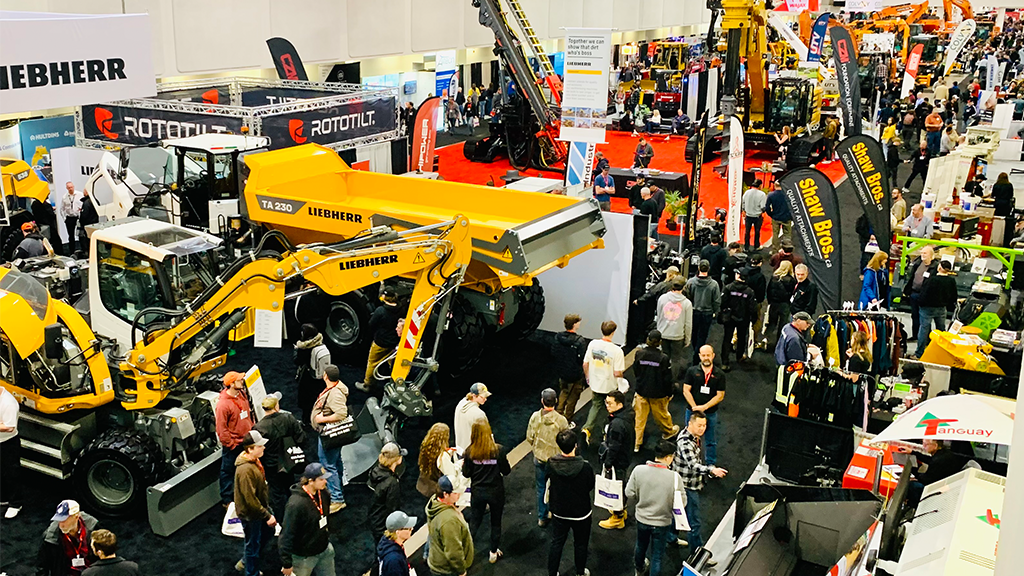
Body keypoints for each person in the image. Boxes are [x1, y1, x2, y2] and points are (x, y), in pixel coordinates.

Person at [673, 412, 727, 556]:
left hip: (687, 483)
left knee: (676, 512)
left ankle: (671, 538)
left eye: (704, 425)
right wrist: (711, 470)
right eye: (699, 425)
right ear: (690, 424)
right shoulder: (685, 442)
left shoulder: (694, 437)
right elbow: (693, 465)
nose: (702, 429)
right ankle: (698, 555)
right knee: (694, 522)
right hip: (686, 487)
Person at [626, 440, 680, 576]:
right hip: (662, 522)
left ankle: (639, 569)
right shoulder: (674, 477)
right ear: (668, 457)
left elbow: (629, 493)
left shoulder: (638, 470)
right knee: (657, 555)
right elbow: (681, 502)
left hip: (642, 519)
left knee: (640, 545)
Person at [546, 428, 594, 576]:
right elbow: (590, 486)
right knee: (580, 544)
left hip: (559, 512)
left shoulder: (551, 463)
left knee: (557, 542)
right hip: (581, 513)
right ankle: (580, 572)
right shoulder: (585, 467)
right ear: (576, 446)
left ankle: (552, 573)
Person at [462, 421, 511, 563]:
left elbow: (466, 474)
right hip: (495, 492)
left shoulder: (470, 452)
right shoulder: (498, 450)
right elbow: (506, 471)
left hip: (478, 493)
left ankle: (466, 552)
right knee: (496, 522)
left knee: (475, 521)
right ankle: (493, 553)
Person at [254, 392, 306, 520]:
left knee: (276, 494)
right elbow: (302, 438)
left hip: (271, 466)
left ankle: (282, 521)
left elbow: (257, 451)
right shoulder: (288, 418)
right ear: (276, 406)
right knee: (291, 488)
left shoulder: (259, 428)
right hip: (289, 461)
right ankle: (296, 515)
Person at [280, 463, 335, 576]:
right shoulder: (295, 505)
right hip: (303, 557)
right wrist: (287, 563)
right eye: (321, 479)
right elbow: (286, 535)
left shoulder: (324, 494)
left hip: (324, 550)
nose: (325, 482)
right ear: (310, 481)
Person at [235, 430, 276, 576]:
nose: (263, 448)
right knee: (252, 545)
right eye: (260, 446)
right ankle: (250, 572)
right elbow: (250, 499)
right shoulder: (246, 470)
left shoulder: (254, 462)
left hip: (259, 509)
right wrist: (267, 515)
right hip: (251, 514)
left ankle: (246, 561)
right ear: (250, 449)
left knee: (266, 533)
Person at [527, 388, 569, 526]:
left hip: (539, 459)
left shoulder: (535, 417)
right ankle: (559, 514)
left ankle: (542, 517)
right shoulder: (561, 420)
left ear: (542, 401)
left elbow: (529, 437)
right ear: (556, 401)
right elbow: (566, 440)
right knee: (558, 488)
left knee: (541, 488)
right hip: (556, 461)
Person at [310, 364, 349, 513]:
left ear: (326, 376)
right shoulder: (338, 388)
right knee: (334, 461)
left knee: (327, 464)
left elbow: (341, 414)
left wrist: (321, 419)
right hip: (333, 433)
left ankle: (337, 498)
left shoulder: (335, 394)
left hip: (329, 433)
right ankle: (337, 484)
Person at [632, 330, 678, 452]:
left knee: (639, 418)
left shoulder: (639, 354)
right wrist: (670, 393)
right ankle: (668, 432)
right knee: (662, 415)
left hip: (642, 390)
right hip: (658, 394)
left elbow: (636, 370)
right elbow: (667, 378)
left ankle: (636, 442)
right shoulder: (663, 358)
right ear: (660, 342)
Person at [582, 321, 625, 445]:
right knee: (611, 410)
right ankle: (607, 431)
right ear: (613, 332)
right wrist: (622, 381)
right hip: (609, 386)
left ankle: (586, 429)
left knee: (595, 406)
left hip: (595, 383)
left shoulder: (593, 344)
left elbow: (585, 364)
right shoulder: (617, 351)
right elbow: (617, 373)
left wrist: (588, 378)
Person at [681, 346, 726, 466]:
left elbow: (720, 395)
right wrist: (695, 407)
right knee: (689, 438)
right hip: (692, 412)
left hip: (710, 413)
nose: (706, 358)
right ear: (699, 356)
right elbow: (686, 390)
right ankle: (689, 461)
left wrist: (704, 407)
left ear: (713, 355)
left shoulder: (719, 374)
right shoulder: (692, 371)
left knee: (710, 440)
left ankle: (710, 464)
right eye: (703, 355)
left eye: (708, 355)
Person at [216, 371, 254, 507]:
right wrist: (231, 444)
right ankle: (227, 500)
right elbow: (221, 429)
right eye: (239, 380)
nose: (242, 381)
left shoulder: (242, 394)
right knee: (228, 472)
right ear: (231, 384)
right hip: (234, 445)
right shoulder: (223, 405)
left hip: (246, 440)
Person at [598, 390, 634, 530]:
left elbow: (614, 446)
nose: (607, 405)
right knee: (621, 484)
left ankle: (617, 517)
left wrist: (608, 463)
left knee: (616, 487)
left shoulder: (617, 424)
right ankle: (621, 512)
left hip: (618, 461)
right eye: (606, 402)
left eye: (610, 403)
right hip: (625, 458)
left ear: (619, 404)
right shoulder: (627, 415)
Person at [358, 286, 403, 394]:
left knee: (372, 362)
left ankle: (367, 384)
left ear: (384, 296)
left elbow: (371, 325)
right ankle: (393, 383)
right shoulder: (401, 308)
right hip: (395, 342)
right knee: (391, 363)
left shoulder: (380, 311)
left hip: (380, 343)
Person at [425, 476, 474, 576]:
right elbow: (453, 552)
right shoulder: (448, 520)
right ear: (445, 494)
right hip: (447, 570)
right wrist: (461, 571)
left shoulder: (435, 501)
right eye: (455, 493)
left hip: (437, 560)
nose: (459, 495)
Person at [37, 500, 100, 576]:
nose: (61, 525)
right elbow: (42, 566)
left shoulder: (93, 528)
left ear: (76, 517)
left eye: (64, 520)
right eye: (58, 520)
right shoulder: (50, 537)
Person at [916, 260, 958, 356]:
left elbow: (924, 293)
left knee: (924, 329)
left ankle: (919, 353)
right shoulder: (951, 281)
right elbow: (953, 296)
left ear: (939, 268)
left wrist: (920, 303)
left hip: (927, 308)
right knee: (941, 330)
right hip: (942, 308)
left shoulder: (932, 280)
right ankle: (941, 352)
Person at [655, 277, 692, 380]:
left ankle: (661, 378)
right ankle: (672, 380)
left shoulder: (662, 298)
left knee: (663, 358)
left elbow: (659, 316)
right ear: (684, 287)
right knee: (676, 360)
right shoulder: (687, 303)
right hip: (678, 335)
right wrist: (687, 339)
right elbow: (688, 324)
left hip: (663, 333)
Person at [551, 314, 587, 420]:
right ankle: (566, 420)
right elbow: (581, 359)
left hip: (562, 372)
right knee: (573, 398)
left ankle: (558, 416)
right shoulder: (580, 341)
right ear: (574, 324)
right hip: (575, 374)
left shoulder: (558, 337)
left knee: (563, 392)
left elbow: (553, 352)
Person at [684, 260, 721, 364]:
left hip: (693, 312)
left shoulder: (691, 282)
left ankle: (696, 351)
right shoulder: (714, 284)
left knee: (694, 335)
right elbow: (717, 301)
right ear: (708, 269)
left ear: (698, 268)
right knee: (703, 336)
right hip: (707, 313)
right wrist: (715, 312)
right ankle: (697, 356)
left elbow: (687, 296)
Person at [720, 268, 756, 370]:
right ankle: (739, 356)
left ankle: (725, 362)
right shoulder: (749, 292)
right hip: (743, 319)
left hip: (730, 318)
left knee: (727, 338)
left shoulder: (728, 288)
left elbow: (723, 303)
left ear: (738, 276)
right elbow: (752, 307)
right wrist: (753, 319)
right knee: (742, 338)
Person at [368, 443, 404, 546]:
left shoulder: (374, 471)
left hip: (374, 518)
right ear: (398, 459)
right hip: (384, 525)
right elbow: (393, 508)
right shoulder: (392, 483)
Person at [294, 323, 330, 424]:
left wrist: (296, 350)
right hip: (322, 377)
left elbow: (297, 361)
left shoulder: (304, 349)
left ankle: (307, 421)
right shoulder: (321, 343)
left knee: (306, 400)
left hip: (309, 377)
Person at [903, 245, 938, 341]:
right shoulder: (918, 264)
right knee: (915, 316)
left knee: (925, 318)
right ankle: (915, 335)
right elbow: (912, 277)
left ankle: (926, 338)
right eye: (922, 253)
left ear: (931, 255)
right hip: (914, 294)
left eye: (925, 253)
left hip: (926, 296)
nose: (922, 255)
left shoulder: (934, 267)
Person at [0, 385, 22, 519]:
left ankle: (15, 503)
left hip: (7, 443)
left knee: (11, 473)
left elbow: (9, 427)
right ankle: (3, 497)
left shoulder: (8, 402)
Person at [766, 260, 797, 350]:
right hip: (785, 304)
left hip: (774, 304)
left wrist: (770, 301)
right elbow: (792, 293)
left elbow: (769, 291)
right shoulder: (791, 280)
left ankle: (767, 340)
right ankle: (779, 343)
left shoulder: (774, 278)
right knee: (783, 324)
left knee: (771, 323)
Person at [378, 511, 417, 576]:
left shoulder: (389, 543)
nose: (412, 529)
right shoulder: (394, 560)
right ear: (398, 532)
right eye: (408, 528)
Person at [417, 423, 451, 498]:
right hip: (435, 490)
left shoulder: (425, 447)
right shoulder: (442, 456)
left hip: (423, 486)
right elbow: (449, 473)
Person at [454, 383, 490, 451]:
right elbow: (485, 436)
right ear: (474, 396)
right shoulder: (479, 414)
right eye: (482, 397)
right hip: (473, 453)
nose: (485, 399)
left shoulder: (460, 404)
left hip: (460, 449)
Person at [745, 252, 769, 349]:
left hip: (743, 300)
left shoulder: (745, 272)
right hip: (755, 302)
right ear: (760, 263)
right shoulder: (760, 277)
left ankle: (734, 339)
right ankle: (753, 341)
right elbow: (761, 291)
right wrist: (760, 301)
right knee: (756, 322)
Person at [764, 182, 792, 252]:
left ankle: (775, 250)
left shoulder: (771, 195)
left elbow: (767, 207)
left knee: (775, 234)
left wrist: (771, 214)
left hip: (776, 217)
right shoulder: (787, 195)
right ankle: (787, 249)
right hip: (787, 217)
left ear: (774, 185)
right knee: (787, 234)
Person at [989, 172, 1016, 246]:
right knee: (1005, 219)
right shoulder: (1009, 185)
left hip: (997, 203)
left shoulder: (996, 185)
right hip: (1006, 204)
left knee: (997, 218)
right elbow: (1011, 195)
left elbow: (993, 195)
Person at [742, 180, 767, 252]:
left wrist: (744, 210)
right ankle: (756, 246)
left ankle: (746, 247)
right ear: (760, 185)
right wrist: (763, 212)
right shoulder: (762, 194)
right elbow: (763, 207)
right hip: (757, 216)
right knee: (757, 231)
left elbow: (743, 202)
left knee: (747, 232)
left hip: (748, 215)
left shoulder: (747, 192)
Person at [61, 182, 83, 254]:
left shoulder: (80, 194)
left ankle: (82, 249)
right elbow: (62, 209)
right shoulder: (64, 197)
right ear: (67, 188)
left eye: (71, 187)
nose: (70, 189)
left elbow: (83, 204)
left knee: (81, 234)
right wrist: (64, 219)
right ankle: (72, 251)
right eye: (69, 187)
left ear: (73, 186)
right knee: (71, 235)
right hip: (69, 218)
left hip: (78, 217)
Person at [77, 188, 98, 253]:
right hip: (95, 224)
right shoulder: (95, 201)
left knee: (87, 241)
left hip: (88, 225)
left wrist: (81, 223)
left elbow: (84, 216)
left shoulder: (86, 203)